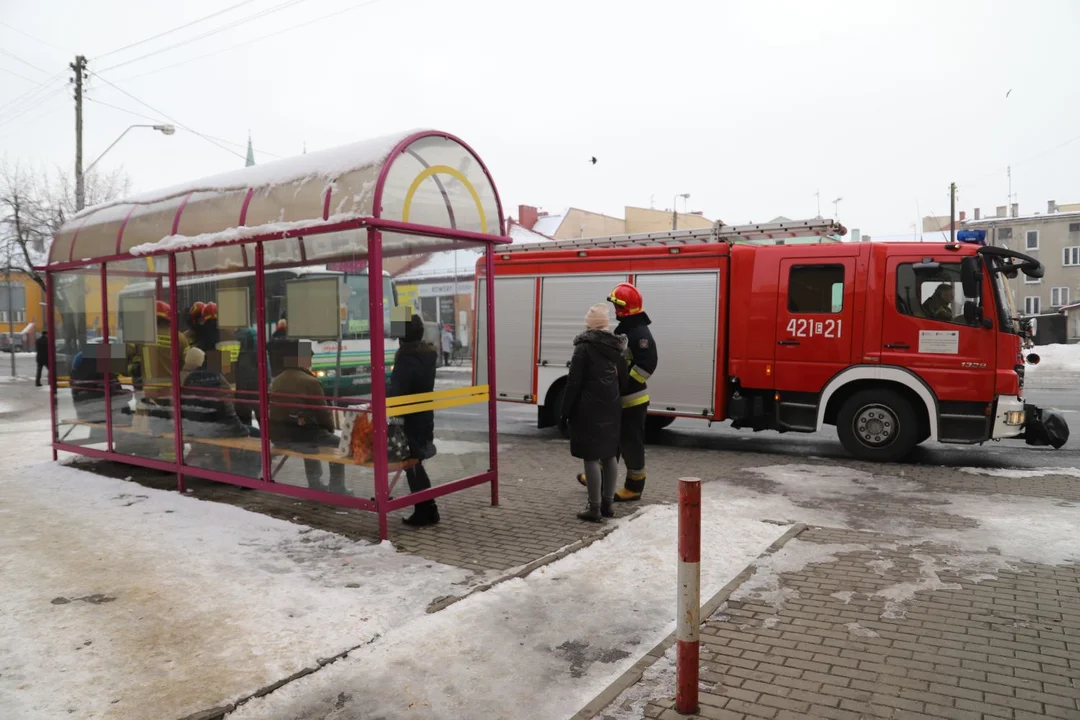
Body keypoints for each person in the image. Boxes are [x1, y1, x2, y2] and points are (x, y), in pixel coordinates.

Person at [578, 283, 658, 501]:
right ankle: (600, 477)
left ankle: (634, 487)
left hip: (632, 399)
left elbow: (647, 364)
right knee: (611, 440)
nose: (615, 310)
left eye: (617, 306)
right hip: (622, 399)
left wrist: (624, 384)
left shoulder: (639, 333)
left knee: (630, 443)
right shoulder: (629, 329)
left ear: (626, 308)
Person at [561, 304, 628, 522]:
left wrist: (566, 410)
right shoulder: (617, 346)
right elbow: (624, 380)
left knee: (590, 456)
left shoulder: (584, 347)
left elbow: (574, 382)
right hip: (612, 407)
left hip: (588, 409)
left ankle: (594, 507)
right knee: (609, 455)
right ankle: (608, 504)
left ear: (589, 325)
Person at [268, 339, 347, 494]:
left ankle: (315, 482)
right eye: (309, 358)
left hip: (280, 436)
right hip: (300, 436)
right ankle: (337, 487)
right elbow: (323, 413)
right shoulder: (310, 382)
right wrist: (328, 430)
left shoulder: (277, 380)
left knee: (310, 436)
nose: (311, 361)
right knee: (338, 443)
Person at [391, 313, 441, 526]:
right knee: (414, 463)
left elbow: (398, 390)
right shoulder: (426, 354)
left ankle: (426, 511)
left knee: (412, 462)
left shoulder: (407, 357)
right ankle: (427, 508)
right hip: (422, 417)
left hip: (408, 419)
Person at [233, 327, 263, 429]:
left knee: (244, 412)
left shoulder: (233, 339)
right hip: (256, 381)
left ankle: (249, 435)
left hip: (241, 382)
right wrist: (267, 380)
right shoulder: (257, 342)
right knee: (260, 411)